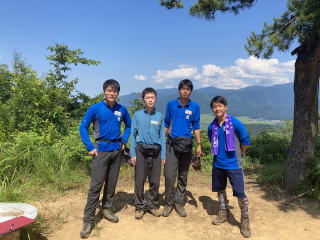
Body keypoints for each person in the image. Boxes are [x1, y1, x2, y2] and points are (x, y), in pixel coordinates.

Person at [79, 79, 131, 239]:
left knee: (112, 183)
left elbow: (129, 125)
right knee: (96, 186)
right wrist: (90, 147)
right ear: (104, 91)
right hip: (100, 151)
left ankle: (107, 209)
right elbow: (83, 127)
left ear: (118, 93)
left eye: (115, 91)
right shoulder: (95, 108)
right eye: (109, 90)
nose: (112, 93)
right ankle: (88, 220)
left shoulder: (122, 109)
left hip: (116, 151)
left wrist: (123, 141)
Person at [207, 96, 251, 238]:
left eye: (220, 106)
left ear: (226, 107)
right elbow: (212, 140)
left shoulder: (235, 123)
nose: (217, 109)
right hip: (218, 163)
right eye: (214, 106)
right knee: (220, 190)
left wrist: (241, 153)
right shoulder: (211, 126)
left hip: (234, 164)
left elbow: (245, 141)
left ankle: (244, 221)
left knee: (240, 193)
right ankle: (223, 212)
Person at [162, 79, 202, 217]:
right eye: (183, 88)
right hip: (172, 144)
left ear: (190, 91)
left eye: (188, 89)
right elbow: (167, 123)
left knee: (183, 175)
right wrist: (162, 142)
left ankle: (178, 203)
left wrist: (199, 144)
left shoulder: (195, 106)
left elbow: (196, 126)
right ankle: (168, 203)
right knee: (169, 175)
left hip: (187, 144)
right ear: (179, 90)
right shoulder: (171, 104)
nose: (185, 91)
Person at [130, 87, 166, 219]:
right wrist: (133, 154)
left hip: (156, 151)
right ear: (143, 99)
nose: (150, 100)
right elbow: (133, 135)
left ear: (156, 99)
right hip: (141, 151)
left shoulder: (160, 116)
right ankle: (139, 206)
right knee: (139, 180)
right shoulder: (138, 115)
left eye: (152, 97)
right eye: (147, 97)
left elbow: (162, 135)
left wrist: (163, 155)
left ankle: (152, 205)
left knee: (155, 180)